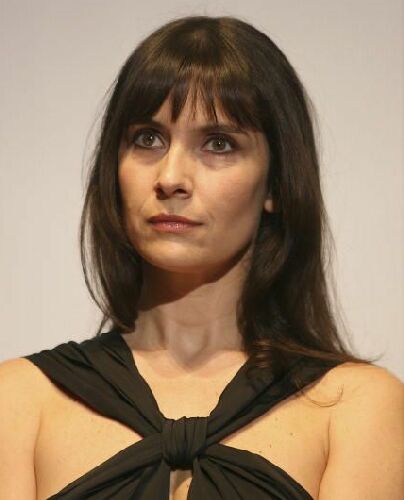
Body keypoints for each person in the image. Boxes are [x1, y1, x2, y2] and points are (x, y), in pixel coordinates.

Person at [1, 14, 403, 500]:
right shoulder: (19, 402)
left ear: (276, 184)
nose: (171, 178)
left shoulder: (354, 408)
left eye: (218, 144)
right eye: (147, 138)